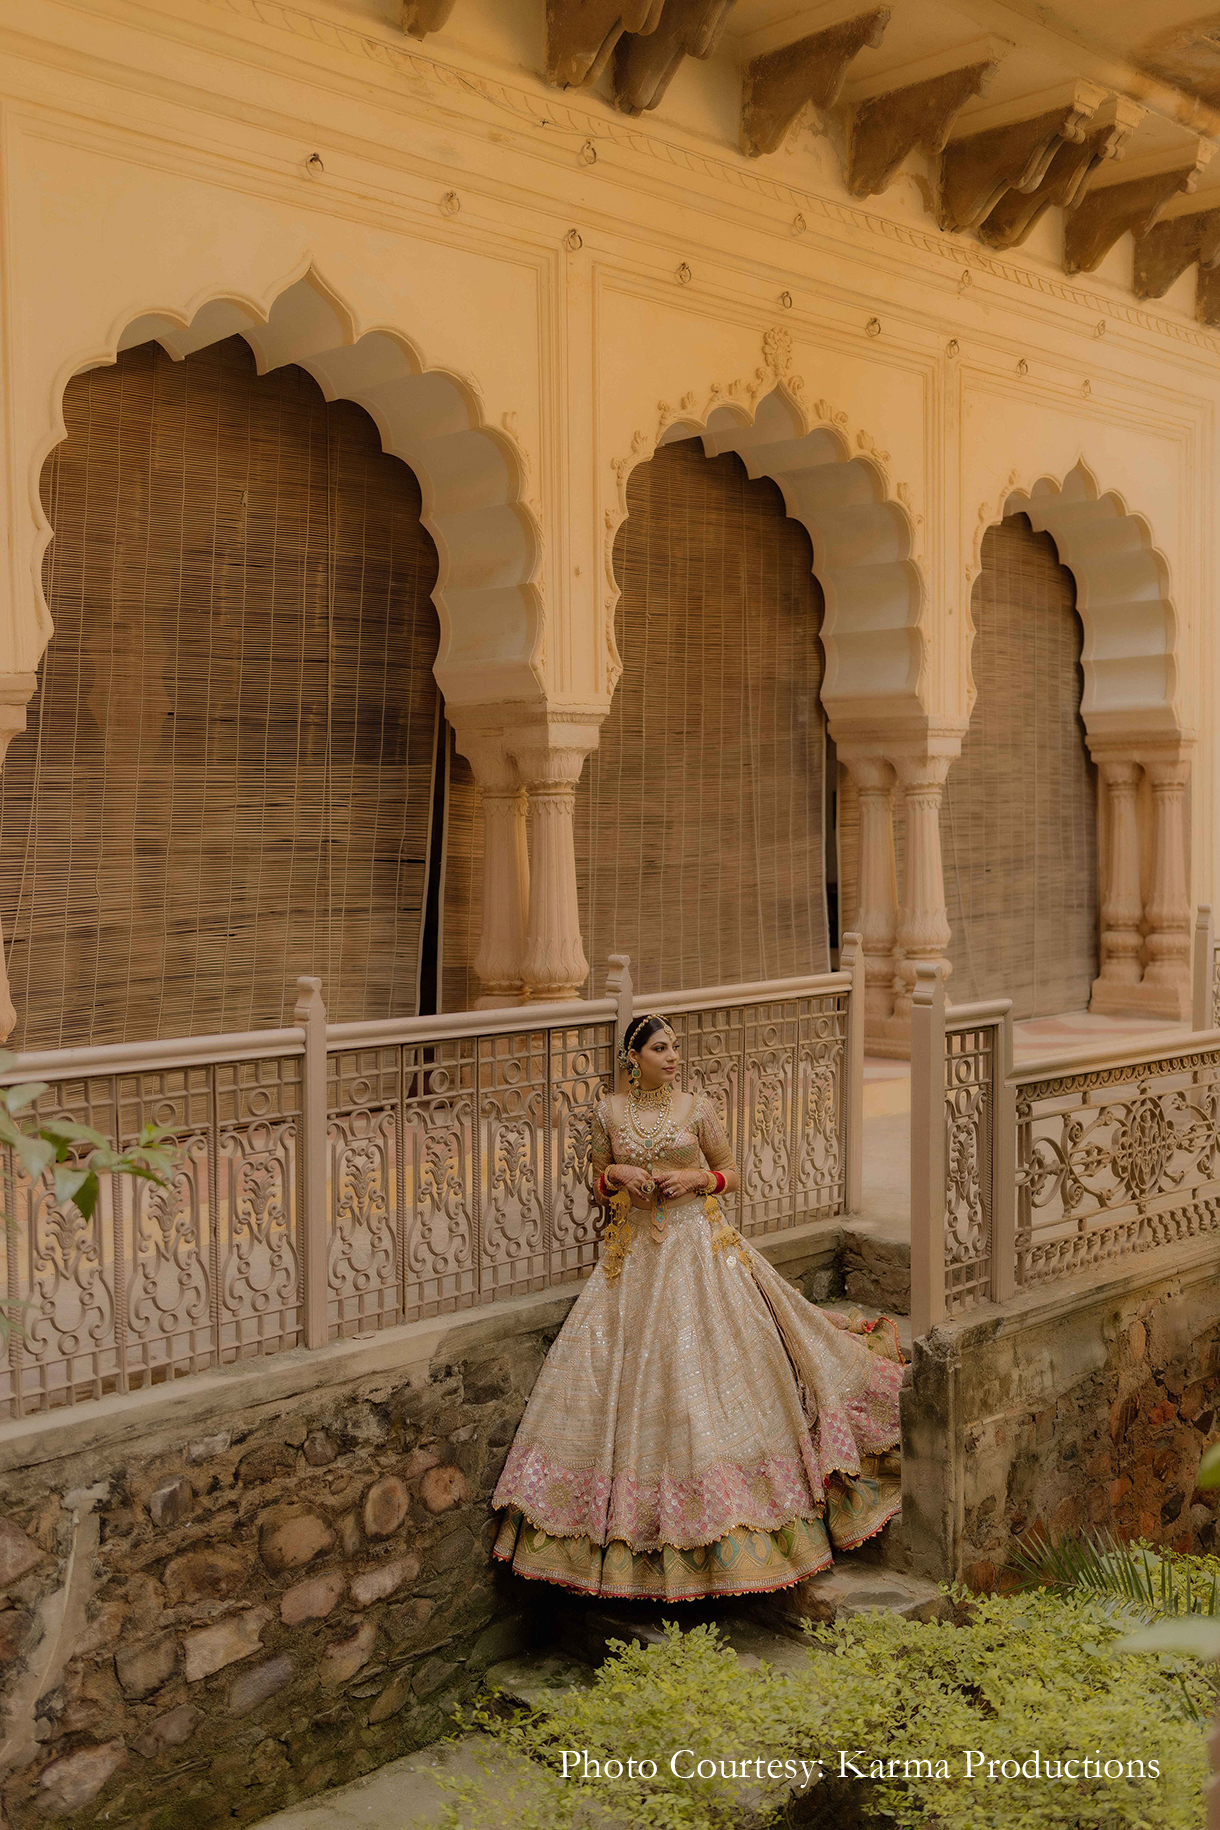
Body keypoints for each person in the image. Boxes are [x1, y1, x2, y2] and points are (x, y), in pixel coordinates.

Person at [491, 1012, 904, 1601]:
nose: (673, 1056)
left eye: (676, 1047)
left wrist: (698, 1182)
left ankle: (743, 1527)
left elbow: (734, 1173)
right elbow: (594, 1180)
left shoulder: (697, 1108)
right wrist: (616, 1174)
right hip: (632, 1261)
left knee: (711, 1372)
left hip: (700, 1251)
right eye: (661, 1048)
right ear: (633, 1057)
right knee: (632, 1382)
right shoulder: (607, 1113)